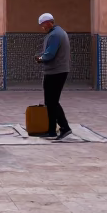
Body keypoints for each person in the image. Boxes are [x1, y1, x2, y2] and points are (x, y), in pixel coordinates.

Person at [35, 12, 73, 140]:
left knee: (52, 102)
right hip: (56, 71)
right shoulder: (58, 32)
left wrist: (40, 58)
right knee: (50, 102)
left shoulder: (55, 35)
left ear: (49, 23)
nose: (42, 28)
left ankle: (65, 128)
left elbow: (50, 55)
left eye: (43, 25)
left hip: (55, 72)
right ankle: (51, 130)